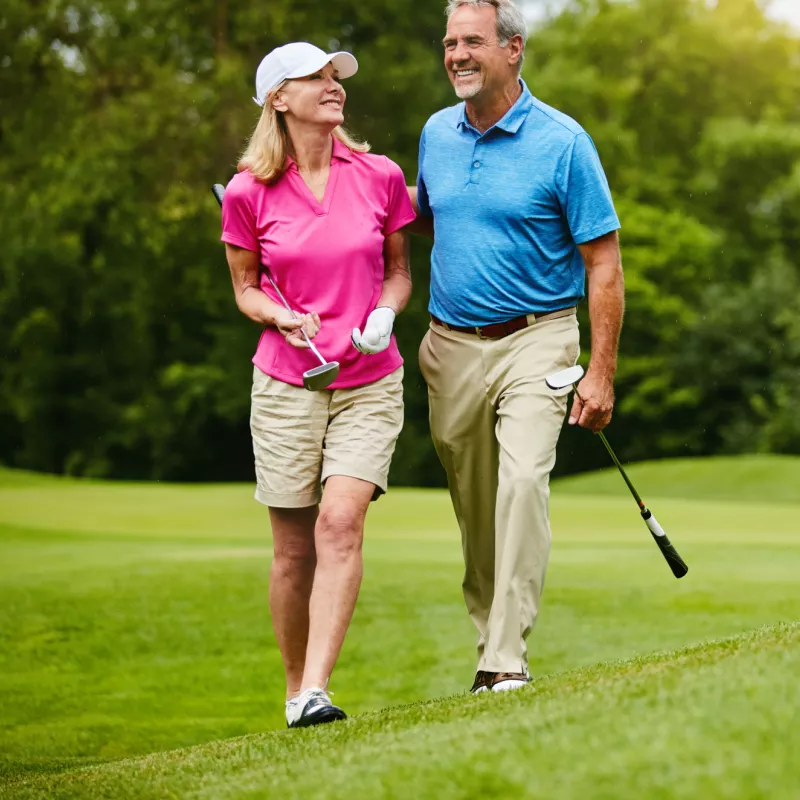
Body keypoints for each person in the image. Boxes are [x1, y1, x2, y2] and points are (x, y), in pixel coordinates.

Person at [409, 0, 624, 694]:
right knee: (474, 508)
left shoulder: (563, 142)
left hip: (540, 341)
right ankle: (489, 639)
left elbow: (604, 263)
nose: (457, 55)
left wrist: (600, 371)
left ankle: (505, 659)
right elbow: (419, 219)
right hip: (450, 347)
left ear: (513, 50)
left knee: (524, 481)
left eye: (471, 41)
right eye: (449, 43)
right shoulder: (436, 134)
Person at [220, 42, 415, 727]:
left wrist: (386, 314)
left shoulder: (381, 175)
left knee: (341, 521)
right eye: (316, 78)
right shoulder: (248, 191)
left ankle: (316, 690)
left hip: (369, 379)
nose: (333, 87)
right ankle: (293, 690)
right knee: (293, 548)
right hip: (285, 383)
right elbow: (245, 289)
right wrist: (280, 315)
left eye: (336, 77)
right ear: (279, 98)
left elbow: (398, 269)